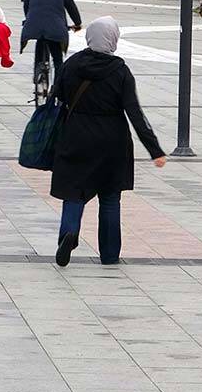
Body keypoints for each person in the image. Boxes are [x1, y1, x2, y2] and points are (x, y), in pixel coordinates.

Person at [51, 16, 167, 267]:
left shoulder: (72, 64)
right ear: (113, 39)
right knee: (110, 196)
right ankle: (110, 253)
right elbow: (134, 112)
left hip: (76, 135)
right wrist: (154, 149)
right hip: (112, 140)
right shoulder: (120, 71)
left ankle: (68, 234)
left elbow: (56, 95)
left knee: (73, 192)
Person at [21, 0, 83, 78]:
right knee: (57, 58)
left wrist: (29, 19)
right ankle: (57, 87)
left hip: (34, 25)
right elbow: (71, 8)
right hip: (56, 28)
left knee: (40, 43)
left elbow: (26, 6)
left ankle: (37, 75)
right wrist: (77, 23)